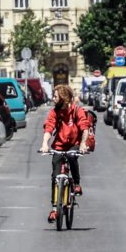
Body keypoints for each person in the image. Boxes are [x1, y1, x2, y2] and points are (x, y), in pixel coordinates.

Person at [40, 85, 92, 223]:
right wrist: (45, 144)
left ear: (63, 98)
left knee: (71, 156)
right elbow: (49, 128)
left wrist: (82, 144)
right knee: (55, 176)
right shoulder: (54, 112)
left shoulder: (76, 110)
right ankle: (54, 209)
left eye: (55, 96)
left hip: (74, 143)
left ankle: (76, 183)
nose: (53, 98)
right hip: (59, 145)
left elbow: (84, 128)